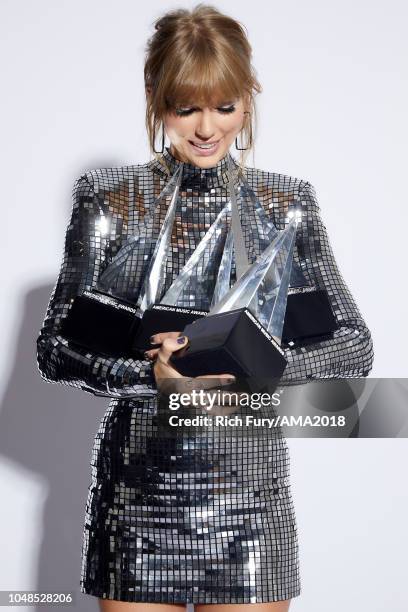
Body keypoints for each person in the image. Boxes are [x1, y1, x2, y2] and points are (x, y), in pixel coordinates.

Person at [35, 4, 374, 612]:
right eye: (184, 107)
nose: (206, 128)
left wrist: (245, 378)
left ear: (249, 96)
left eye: (224, 105)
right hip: (140, 498)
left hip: (250, 502)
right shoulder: (111, 199)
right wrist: (151, 378)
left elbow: (351, 341)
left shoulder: (284, 202)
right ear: (154, 96)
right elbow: (56, 345)